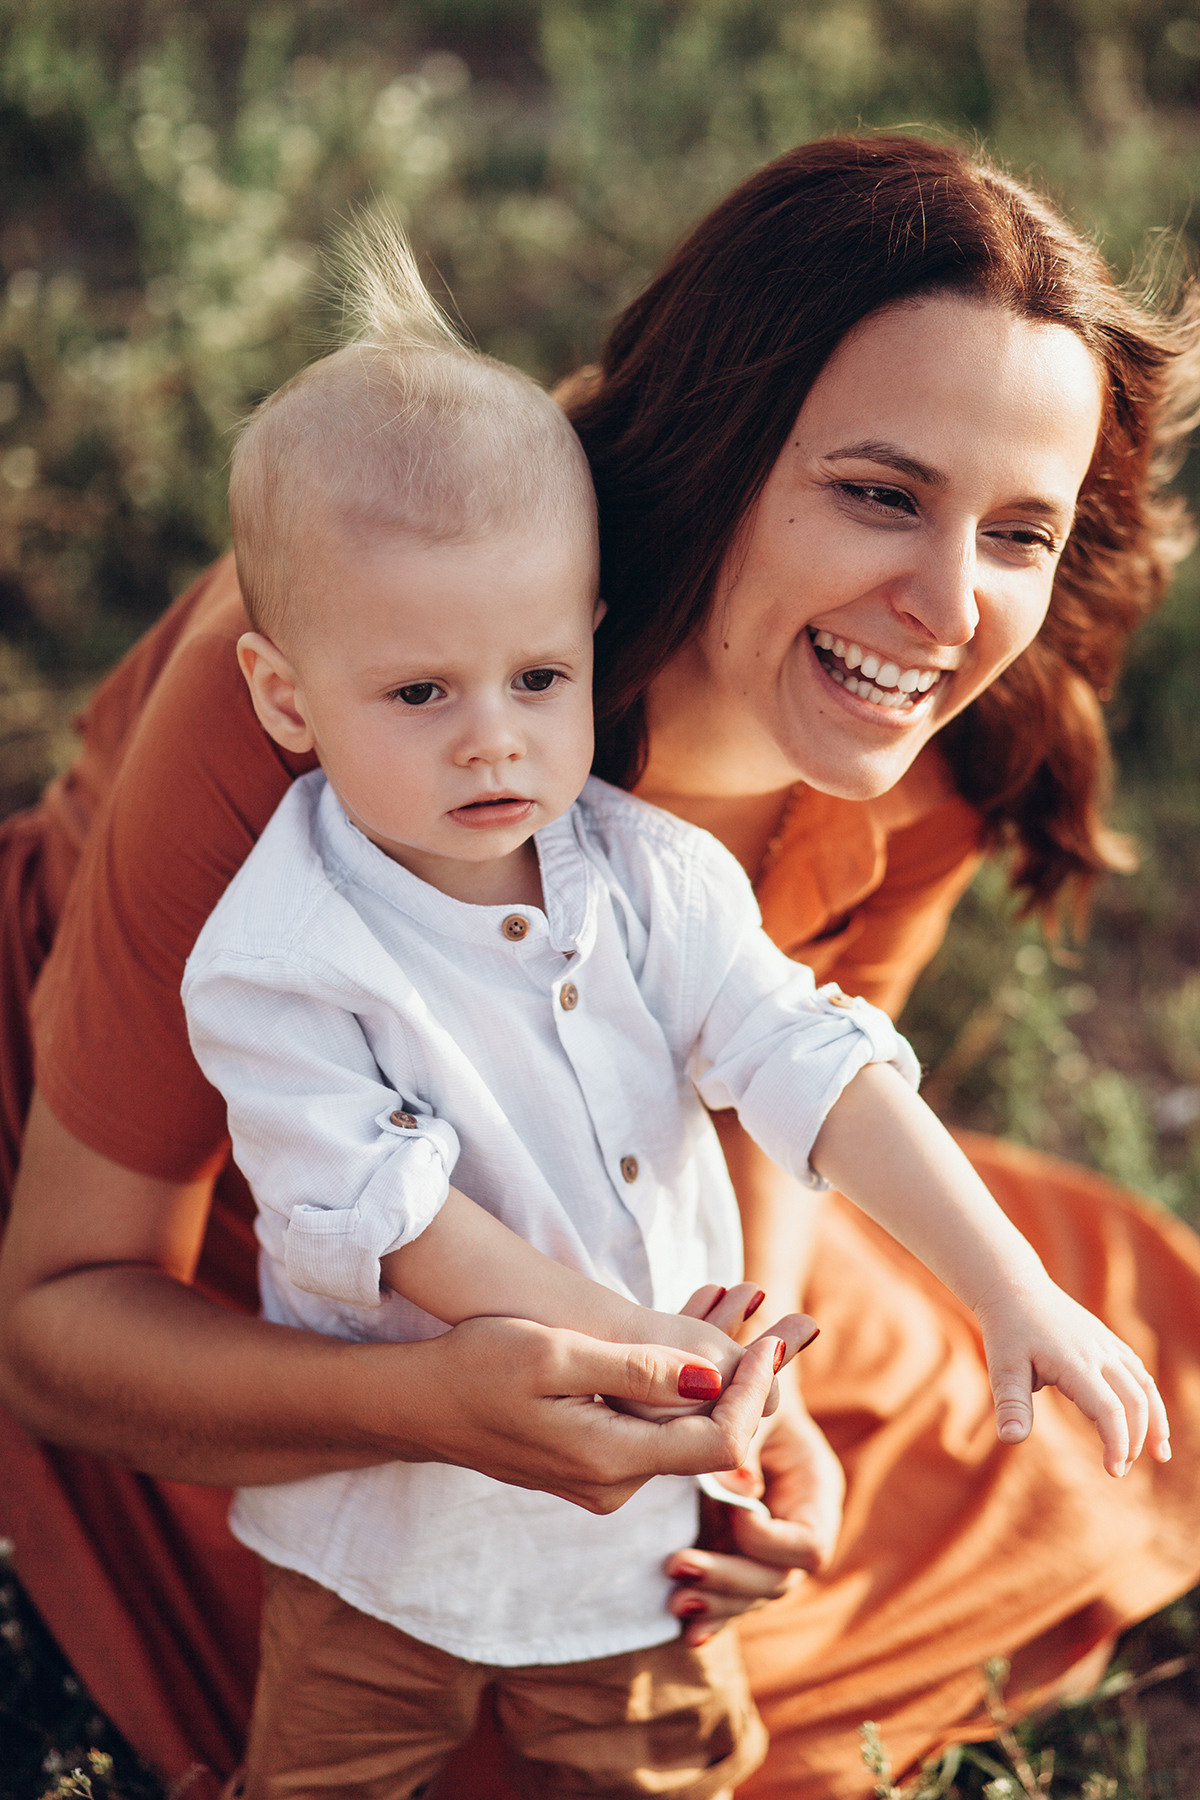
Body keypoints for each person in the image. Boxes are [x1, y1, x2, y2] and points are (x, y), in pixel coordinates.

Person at [1, 134, 1200, 1799]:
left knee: (945, 1476)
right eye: (878, 492)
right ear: (722, 446)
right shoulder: (374, 660)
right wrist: (438, 1406)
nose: (945, 608)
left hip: (605, 1239)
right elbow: (59, 1327)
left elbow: (771, 1095)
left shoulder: (927, 737)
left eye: (1020, 529)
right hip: (236, 1242)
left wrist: (758, 1397)